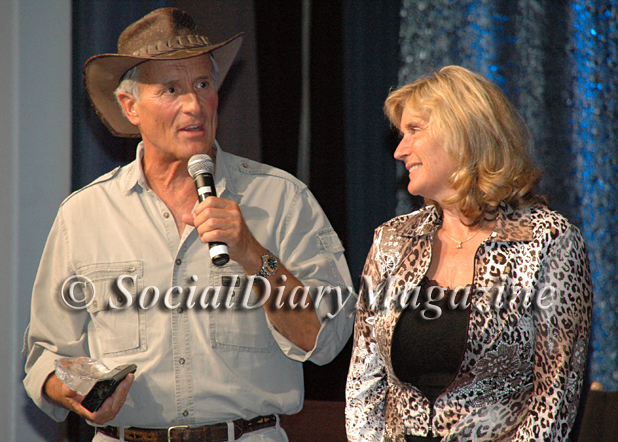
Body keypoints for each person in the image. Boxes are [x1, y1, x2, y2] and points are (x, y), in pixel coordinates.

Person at [23, 8, 355, 442]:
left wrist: (253, 254)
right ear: (130, 107)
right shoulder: (84, 214)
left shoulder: (282, 200)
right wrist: (76, 390)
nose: (194, 105)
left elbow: (326, 339)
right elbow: (46, 356)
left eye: (203, 84)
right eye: (171, 89)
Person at [345, 65, 592, 442]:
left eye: (413, 130)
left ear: (462, 132)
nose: (398, 150)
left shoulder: (547, 240)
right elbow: (364, 384)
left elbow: (553, 400)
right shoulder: (392, 240)